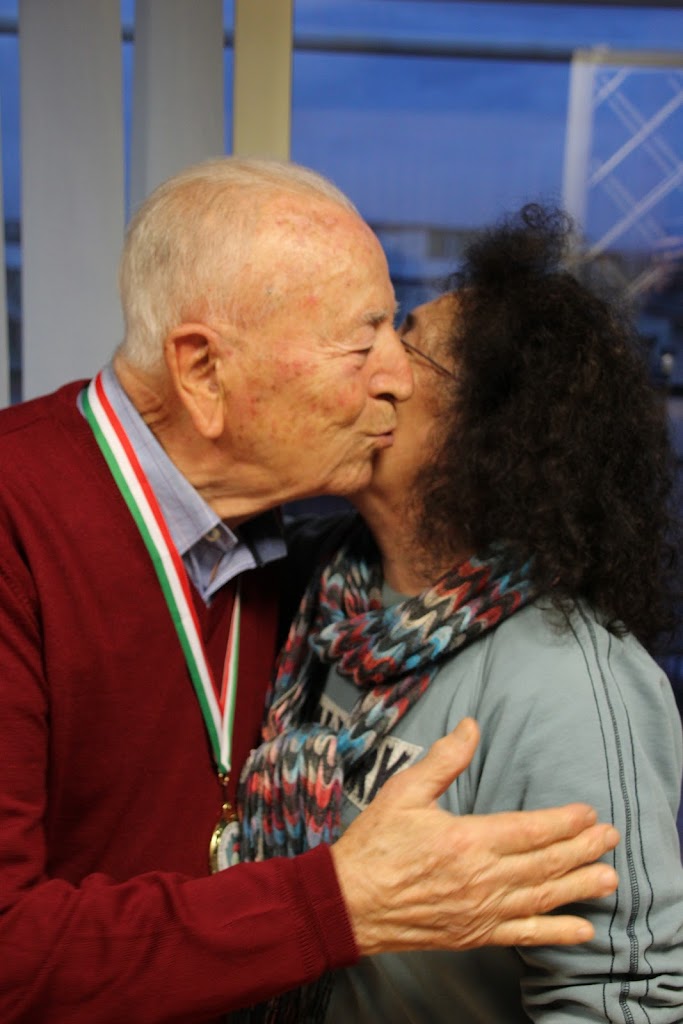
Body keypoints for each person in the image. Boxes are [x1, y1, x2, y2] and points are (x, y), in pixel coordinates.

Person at [0, 162, 620, 1024]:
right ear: (203, 371)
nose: (398, 376)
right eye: (362, 341)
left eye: (394, 329)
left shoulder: (295, 561)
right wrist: (335, 905)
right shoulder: (17, 520)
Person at [240, 204, 683, 1021]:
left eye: (403, 344)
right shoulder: (314, 595)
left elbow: (621, 1000)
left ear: (490, 435)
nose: (372, 366)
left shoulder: (573, 688)